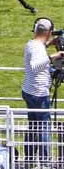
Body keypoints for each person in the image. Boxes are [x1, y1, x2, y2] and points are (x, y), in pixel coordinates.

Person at [22, 18, 64, 163]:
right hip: (38, 94)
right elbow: (35, 65)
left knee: (33, 126)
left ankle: (29, 159)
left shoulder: (32, 44)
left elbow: (39, 50)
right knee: (44, 127)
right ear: (49, 32)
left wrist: (49, 44)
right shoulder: (37, 48)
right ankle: (45, 162)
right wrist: (54, 56)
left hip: (29, 90)